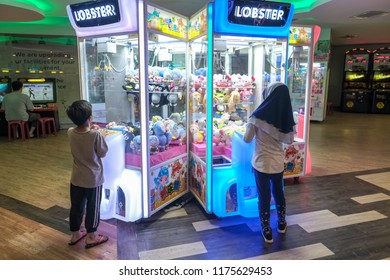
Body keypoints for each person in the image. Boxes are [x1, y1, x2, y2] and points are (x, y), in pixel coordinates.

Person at [243, 82, 295, 244]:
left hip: (261, 163)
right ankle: (281, 222)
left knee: (264, 196)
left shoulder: (257, 117)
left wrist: (248, 126)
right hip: (277, 163)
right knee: (278, 192)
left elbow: (247, 139)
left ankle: (266, 230)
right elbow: (290, 140)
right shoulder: (285, 118)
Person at [66, 100, 109, 249]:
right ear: (90, 118)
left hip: (76, 178)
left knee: (76, 206)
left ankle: (75, 233)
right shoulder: (95, 135)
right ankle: (91, 236)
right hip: (93, 179)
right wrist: (98, 133)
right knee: (93, 208)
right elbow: (102, 153)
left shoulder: (70, 132)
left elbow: (82, 135)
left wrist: (92, 129)